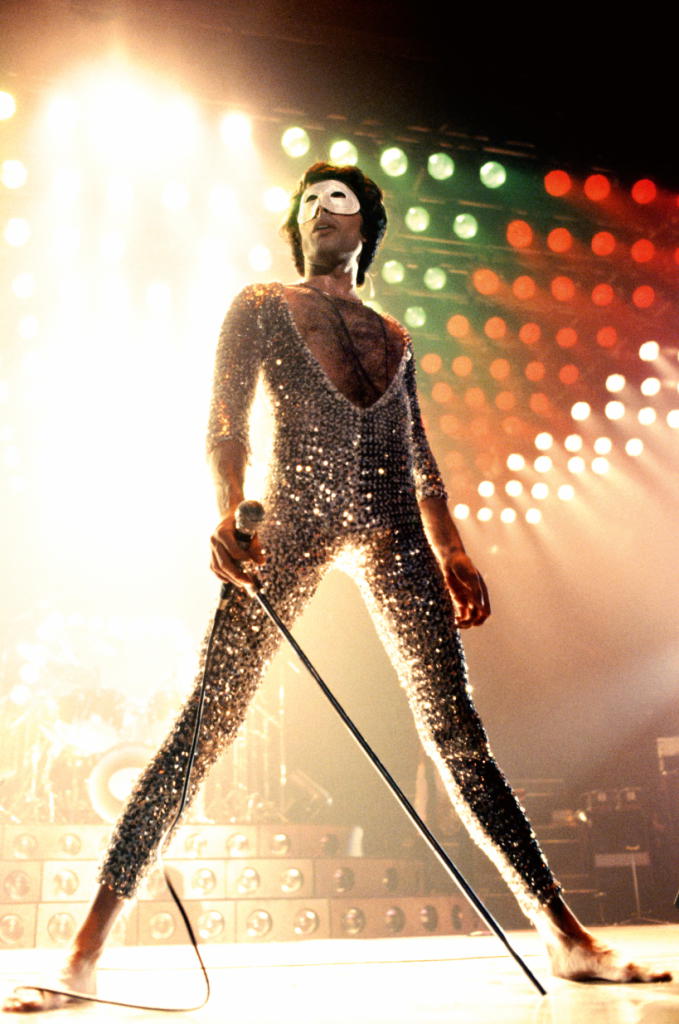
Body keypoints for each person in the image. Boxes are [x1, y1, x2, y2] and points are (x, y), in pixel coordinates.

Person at [4, 163, 670, 1012]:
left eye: (339, 201)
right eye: (308, 202)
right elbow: (226, 420)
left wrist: (452, 549)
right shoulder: (261, 305)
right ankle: (83, 953)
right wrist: (229, 511)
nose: (320, 210)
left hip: (393, 528)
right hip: (292, 515)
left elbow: (417, 451)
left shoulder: (395, 334)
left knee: (457, 733)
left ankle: (567, 939)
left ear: (367, 226)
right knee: (208, 719)